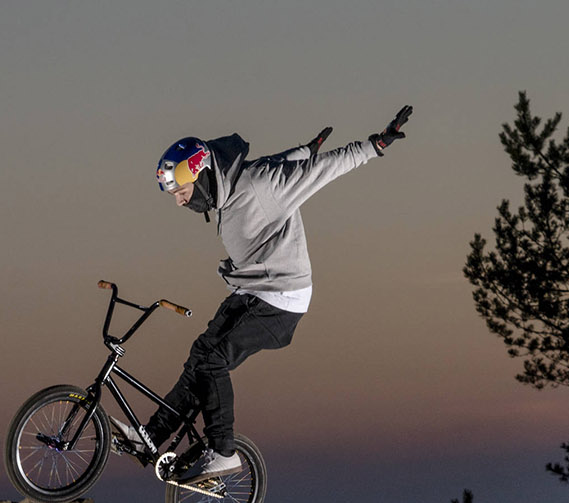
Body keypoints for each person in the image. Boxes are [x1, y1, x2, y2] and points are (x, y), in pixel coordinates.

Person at [112, 106, 413, 481]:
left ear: (202, 175)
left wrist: (374, 145)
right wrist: (305, 149)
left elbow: (318, 173)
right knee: (199, 357)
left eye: (183, 191)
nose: (180, 202)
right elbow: (280, 161)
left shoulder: (260, 188)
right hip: (252, 289)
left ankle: (223, 452)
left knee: (213, 362)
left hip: (281, 299)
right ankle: (149, 437)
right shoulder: (230, 187)